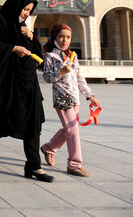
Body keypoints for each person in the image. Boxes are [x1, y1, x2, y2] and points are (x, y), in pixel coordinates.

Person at [0, 0, 54, 182]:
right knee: (0, 119)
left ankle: (33, 165)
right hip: (7, 83)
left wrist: (33, 36)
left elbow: (38, 54)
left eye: (30, 10)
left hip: (28, 83)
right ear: (15, 6)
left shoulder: (24, 28)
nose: (27, 13)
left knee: (33, 123)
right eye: (25, 9)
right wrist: (12, 48)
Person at [41, 24, 99, 177]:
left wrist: (89, 95)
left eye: (68, 37)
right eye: (61, 36)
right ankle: (74, 164)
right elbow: (47, 77)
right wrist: (61, 72)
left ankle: (49, 148)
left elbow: (79, 77)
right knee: (73, 130)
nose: (64, 40)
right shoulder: (50, 56)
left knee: (68, 128)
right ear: (54, 37)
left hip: (75, 99)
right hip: (62, 98)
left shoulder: (72, 55)